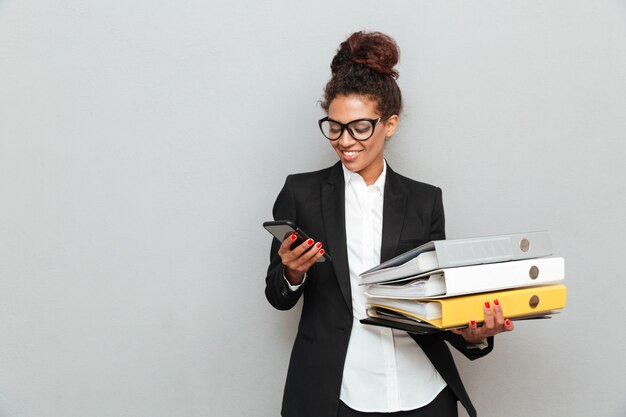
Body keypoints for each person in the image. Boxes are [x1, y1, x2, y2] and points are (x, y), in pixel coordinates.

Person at [265, 31, 514, 417]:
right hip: (338, 391)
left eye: (360, 127)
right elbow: (277, 296)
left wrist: (472, 335)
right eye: (334, 126)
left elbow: (436, 298)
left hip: (422, 393)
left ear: (390, 124)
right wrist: (292, 274)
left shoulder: (424, 199)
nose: (344, 140)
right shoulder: (302, 193)